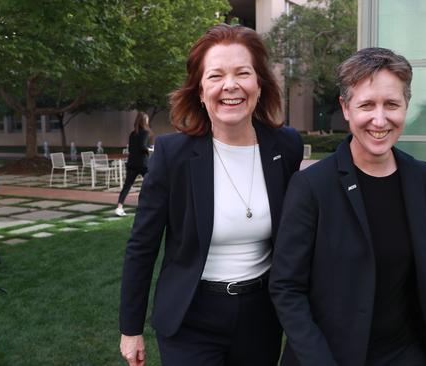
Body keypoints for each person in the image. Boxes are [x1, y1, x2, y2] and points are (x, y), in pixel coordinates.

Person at [269, 48, 426, 366]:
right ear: (346, 108)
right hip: (330, 354)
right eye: (367, 104)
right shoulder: (312, 186)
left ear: (405, 106)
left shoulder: (421, 178)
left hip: (406, 352)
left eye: (391, 104)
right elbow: (286, 287)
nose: (379, 120)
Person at [119, 24, 304, 366]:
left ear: (259, 85)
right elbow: (142, 246)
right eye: (216, 75)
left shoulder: (286, 146)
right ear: (201, 91)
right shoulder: (173, 154)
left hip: (261, 316)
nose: (230, 85)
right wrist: (131, 329)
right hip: (191, 315)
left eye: (242, 73)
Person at [115, 112, 152, 217]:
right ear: (144, 121)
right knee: (152, 185)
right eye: (147, 120)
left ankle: (119, 207)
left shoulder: (132, 134)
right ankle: (148, 206)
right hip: (143, 164)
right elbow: (142, 147)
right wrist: (150, 149)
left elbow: (131, 149)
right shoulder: (145, 132)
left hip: (131, 163)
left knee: (127, 186)